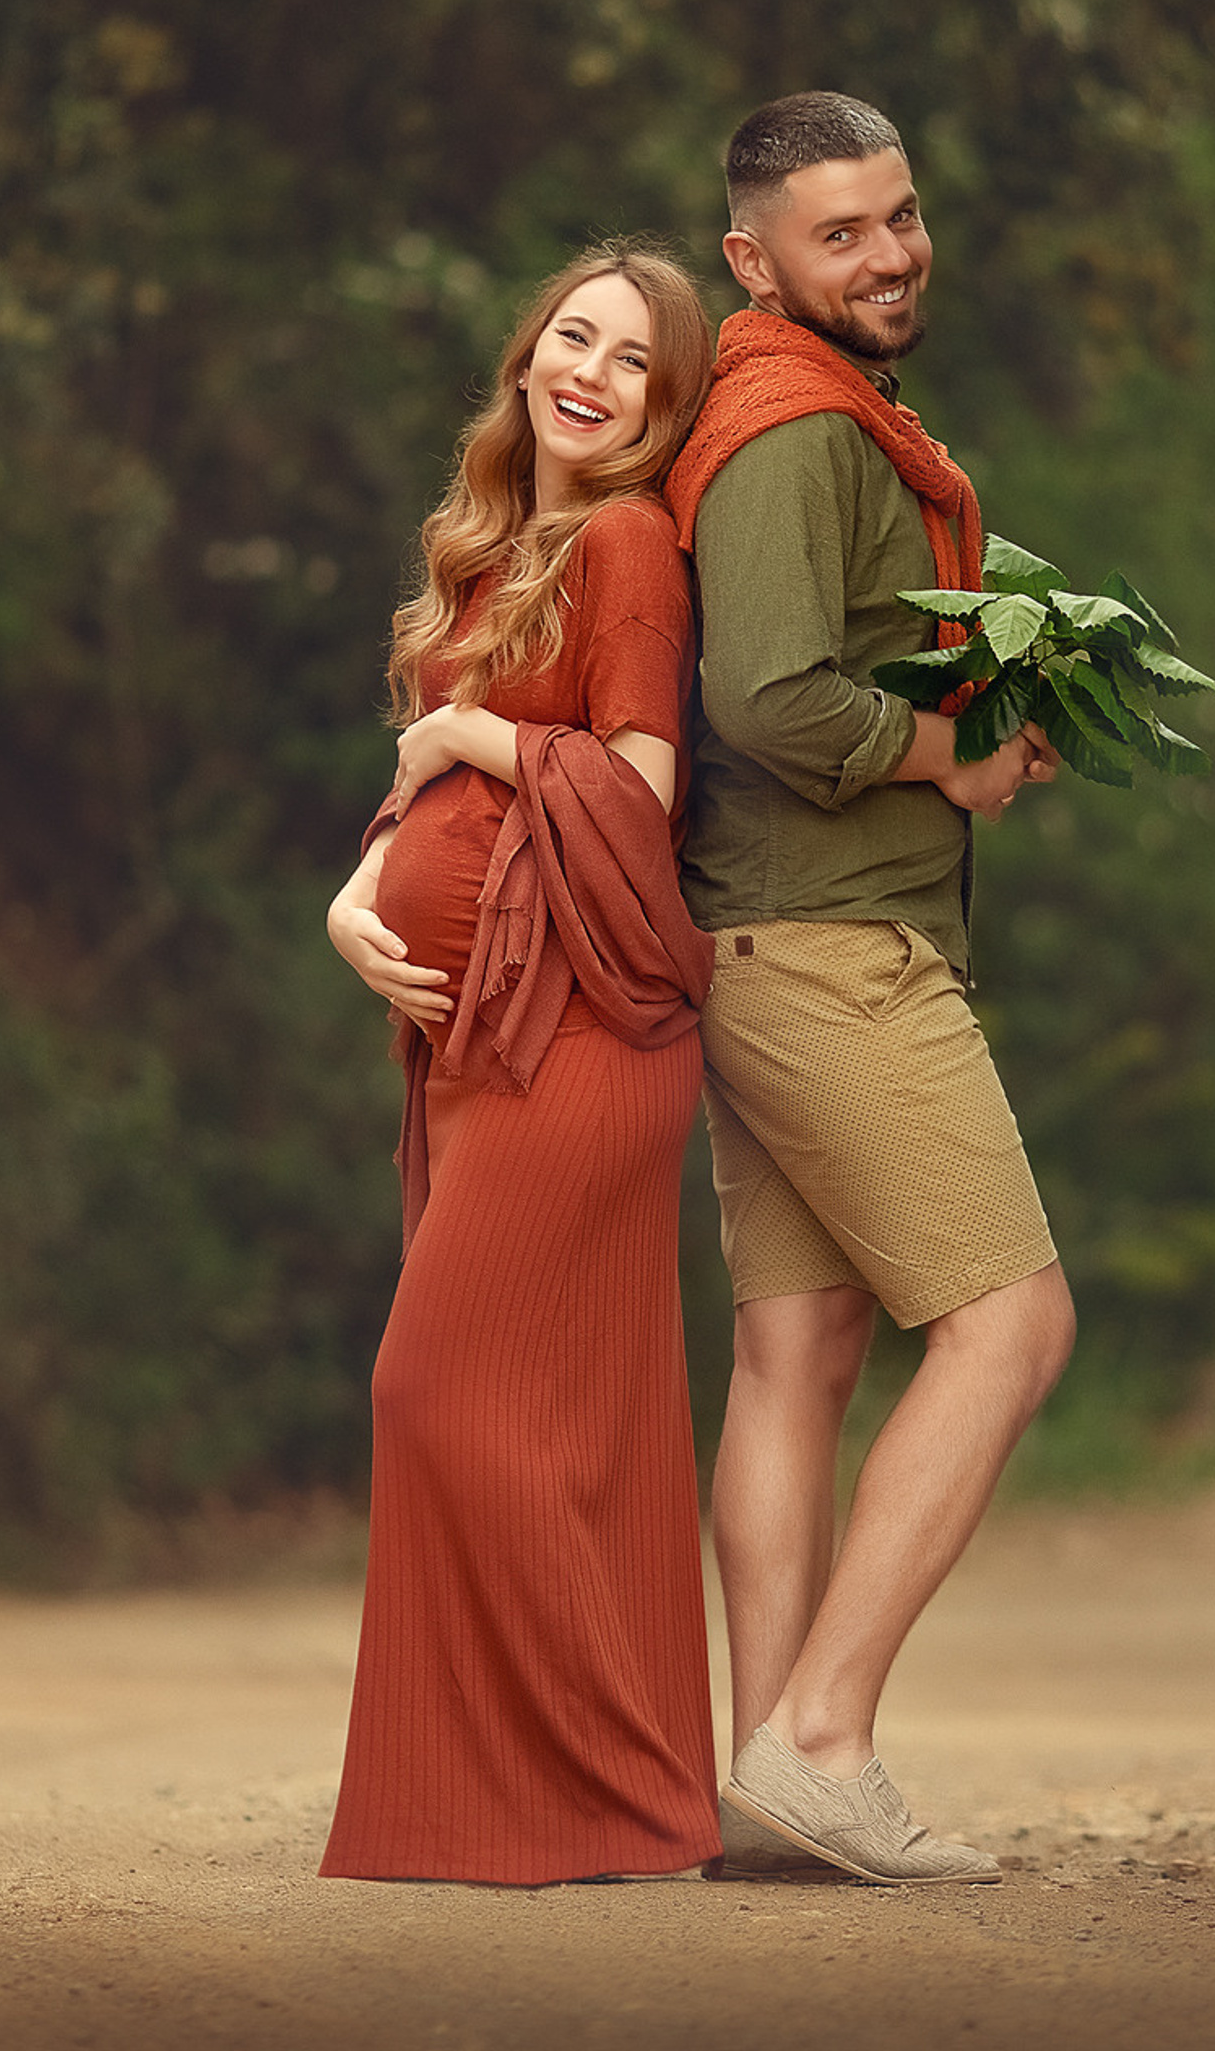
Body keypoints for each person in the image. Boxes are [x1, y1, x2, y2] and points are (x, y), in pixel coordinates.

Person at [664, 93, 1078, 1887]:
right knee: (1012, 1326)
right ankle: (822, 1736)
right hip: (828, 947)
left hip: (770, 938)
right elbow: (765, 695)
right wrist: (945, 757)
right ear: (753, 261)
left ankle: (770, 1779)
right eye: (840, 234)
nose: (890, 254)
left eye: (899, 216)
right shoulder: (792, 429)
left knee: (802, 1345)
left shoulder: (825, 410)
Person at [318, 241, 721, 1886]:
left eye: (633, 362)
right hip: (473, 1040)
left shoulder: (626, 544)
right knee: (569, 1438)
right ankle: (578, 1808)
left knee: (433, 1391)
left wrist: (470, 734)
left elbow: (637, 794)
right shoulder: (493, 553)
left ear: (664, 408)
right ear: (526, 354)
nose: (592, 376)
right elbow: (424, 788)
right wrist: (357, 891)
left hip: (579, 1031)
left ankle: (621, 1790)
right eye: (574, 337)